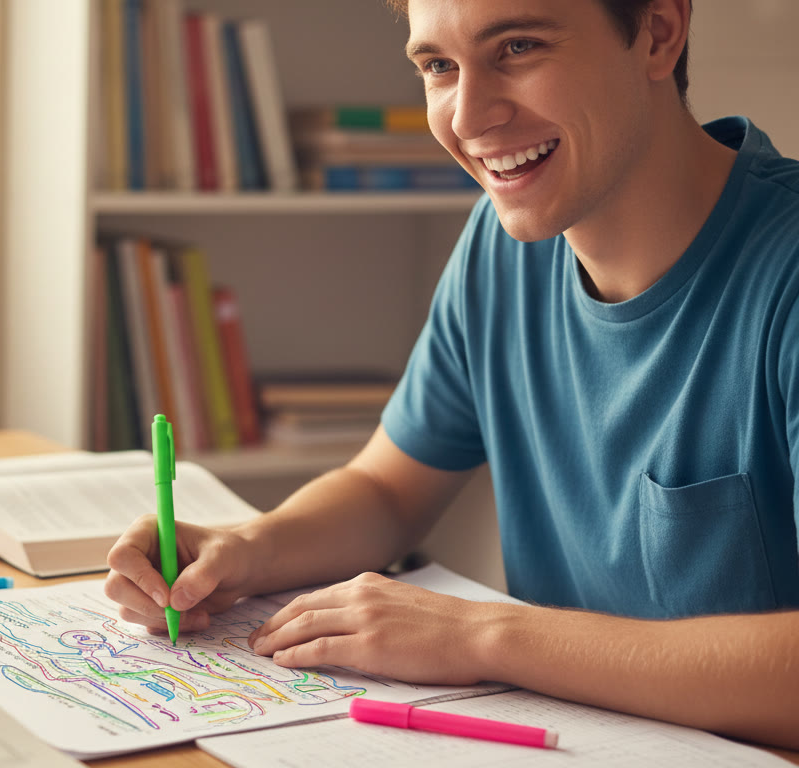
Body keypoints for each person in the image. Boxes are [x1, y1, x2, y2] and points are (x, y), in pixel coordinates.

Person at [105, 0, 799, 749]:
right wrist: (249, 551)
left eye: (520, 47)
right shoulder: (506, 245)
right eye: (438, 66)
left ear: (659, 33)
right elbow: (386, 491)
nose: (468, 117)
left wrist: (486, 636)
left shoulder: (782, 273)